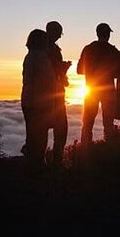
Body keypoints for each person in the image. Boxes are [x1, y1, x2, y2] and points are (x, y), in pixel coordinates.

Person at [77, 23, 119, 146]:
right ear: (108, 35)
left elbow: (79, 70)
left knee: (88, 122)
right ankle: (110, 151)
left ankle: (85, 151)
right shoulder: (112, 50)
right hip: (108, 91)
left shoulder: (88, 49)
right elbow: (118, 73)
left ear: (97, 33)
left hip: (91, 90)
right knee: (108, 122)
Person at [21, 29, 56, 169]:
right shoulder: (41, 58)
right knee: (40, 137)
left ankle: (31, 163)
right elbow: (48, 81)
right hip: (40, 103)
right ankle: (38, 167)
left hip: (28, 101)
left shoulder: (29, 56)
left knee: (32, 135)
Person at [46, 21, 72, 167]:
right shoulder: (51, 50)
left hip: (48, 94)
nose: (59, 37)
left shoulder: (41, 48)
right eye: (59, 33)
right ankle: (56, 161)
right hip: (53, 94)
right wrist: (65, 69)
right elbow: (54, 72)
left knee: (43, 129)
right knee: (61, 128)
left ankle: (45, 161)